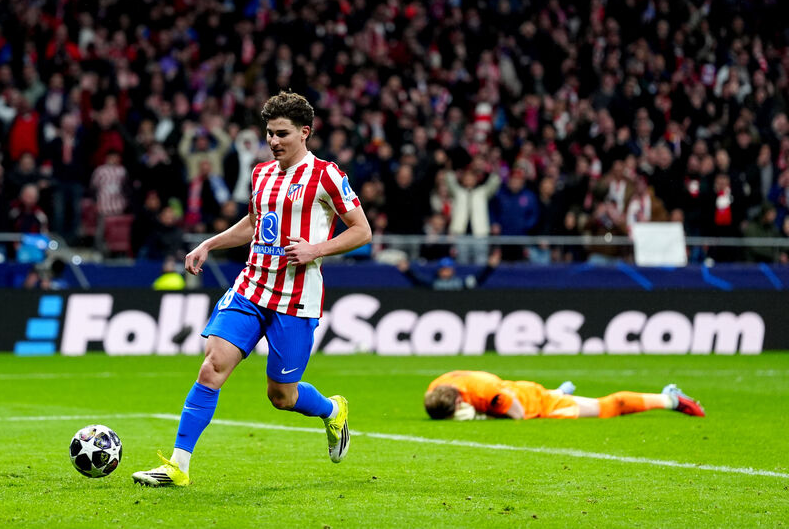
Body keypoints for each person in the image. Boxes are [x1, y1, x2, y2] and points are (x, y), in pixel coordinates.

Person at [133, 91, 372, 487]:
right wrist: (209, 243)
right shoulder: (261, 174)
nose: (274, 141)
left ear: (305, 133)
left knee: (282, 396)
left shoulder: (327, 175)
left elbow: (362, 230)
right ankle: (177, 466)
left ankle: (332, 410)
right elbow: (253, 223)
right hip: (251, 286)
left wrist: (316, 249)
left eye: (282, 134)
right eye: (269, 134)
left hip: (295, 299)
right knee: (211, 368)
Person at [424, 371, 705, 421]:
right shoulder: (436, 389)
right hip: (520, 388)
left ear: (460, 402)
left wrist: (478, 418)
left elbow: (519, 413)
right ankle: (560, 390)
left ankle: (670, 399)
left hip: (536, 401)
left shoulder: (487, 393)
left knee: (609, 407)